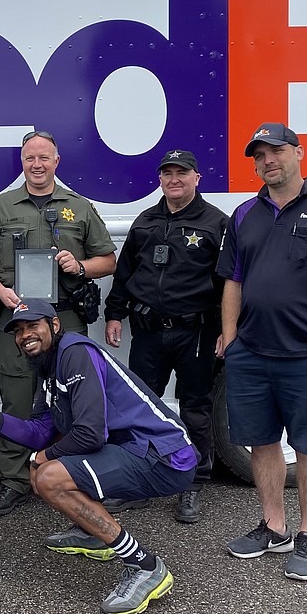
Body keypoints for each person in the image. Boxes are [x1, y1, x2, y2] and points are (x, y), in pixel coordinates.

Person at [0, 300, 197, 614]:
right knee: (44, 469)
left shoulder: (74, 352)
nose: (24, 335)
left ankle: (144, 566)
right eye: (18, 330)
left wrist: (42, 457)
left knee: (48, 477)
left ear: (54, 326)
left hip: (165, 456)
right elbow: (37, 432)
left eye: (33, 326)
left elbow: (90, 434)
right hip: (136, 449)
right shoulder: (49, 368)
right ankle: (94, 533)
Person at [216, 122, 307, 582]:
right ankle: (274, 527)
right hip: (253, 355)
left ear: (299, 153)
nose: (267, 162)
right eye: (258, 156)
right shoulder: (244, 215)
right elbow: (233, 280)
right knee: (261, 442)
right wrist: (231, 337)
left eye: (275, 151)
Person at [0, 130, 117, 515]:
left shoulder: (78, 207)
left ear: (56, 161)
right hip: (16, 317)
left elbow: (108, 260)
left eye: (44, 158)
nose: (37, 164)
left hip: (64, 316)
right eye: (30, 158)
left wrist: (79, 265)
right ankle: (15, 480)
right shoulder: (1, 207)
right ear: (22, 162)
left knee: (77, 398)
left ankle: (73, 477)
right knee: (18, 396)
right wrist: (0, 291)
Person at [103, 149, 228, 524]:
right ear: (160, 179)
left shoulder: (216, 224)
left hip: (196, 332)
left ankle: (193, 482)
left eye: (182, 173)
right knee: (139, 407)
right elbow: (124, 274)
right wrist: (114, 315)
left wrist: (227, 330)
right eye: (167, 173)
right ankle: (138, 481)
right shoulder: (146, 221)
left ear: (196, 178)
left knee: (195, 410)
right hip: (148, 331)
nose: (174, 179)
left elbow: (228, 284)